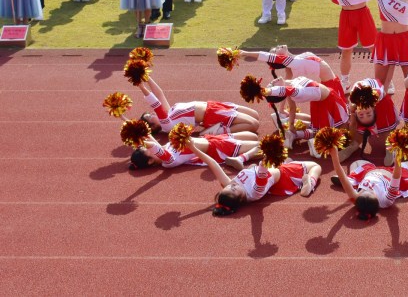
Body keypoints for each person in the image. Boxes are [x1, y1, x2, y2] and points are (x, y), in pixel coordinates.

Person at [186, 136, 321, 216]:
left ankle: (244, 158)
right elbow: (262, 174)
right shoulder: (255, 193)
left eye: (227, 187)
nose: (232, 184)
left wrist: (193, 148)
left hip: (270, 170)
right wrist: (268, 156)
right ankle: (310, 184)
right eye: (234, 189)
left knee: (286, 159)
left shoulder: (231, 185)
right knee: (315, 166)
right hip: (284, 175)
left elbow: (213, 164)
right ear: (241, 198)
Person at [138, 75, 261, 134]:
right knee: (254, 124)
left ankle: (216, 130)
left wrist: (145, 75)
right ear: (152, 127)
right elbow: (156, 105)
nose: (152, 113)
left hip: (213, 105)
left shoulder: (168, 112)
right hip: (211, 114)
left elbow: (159, 94)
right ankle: (217, 132)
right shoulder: (167, 126)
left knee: (255, 114)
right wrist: (141, 87)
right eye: (150, 116)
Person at [328, 145, 408, 220]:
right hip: (392, 172)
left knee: (356, 163)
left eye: (363, 191)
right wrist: (397, 159)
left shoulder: (355, 197)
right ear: (377, 201)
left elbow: (342, 177)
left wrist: (334, 156)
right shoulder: (386, 201)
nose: (369, 188)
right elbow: (396, 177)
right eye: (371, 192)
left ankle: (352, 180)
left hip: (369, 171)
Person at [129, 129, 260, 170]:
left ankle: (244, 156)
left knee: (252, 136)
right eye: (148, 149)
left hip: (213, 138)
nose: (150, 146)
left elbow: (145, 133)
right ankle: (241, 158)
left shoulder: (165, 148)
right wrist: (145, 143)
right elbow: (155, 147)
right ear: (151, 161)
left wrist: (128, 124)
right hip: (219, 148)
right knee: (264, 146)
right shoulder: (168, 161)